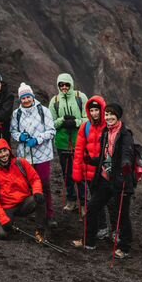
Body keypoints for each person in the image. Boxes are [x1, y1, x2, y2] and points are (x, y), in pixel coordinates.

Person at [72, 103, 135, 259]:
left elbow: (127, 153)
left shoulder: (125, 135)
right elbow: (104, 157)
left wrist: (126, 164)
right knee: (92, 208)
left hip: (121, 181)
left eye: (111, 114)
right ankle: (88, 241)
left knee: (122, 216)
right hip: (105, 179)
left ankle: (124, 248)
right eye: (106, 114)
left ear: (118, 116)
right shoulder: (106, 133)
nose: (108, 117)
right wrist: (91, 160)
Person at [10, 82, 57, 226]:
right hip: (26, 156)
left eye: (28, 97)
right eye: (23, 98)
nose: (26, 100)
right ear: (20, 99)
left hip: (43, 154)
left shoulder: (43, 111)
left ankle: (48, 215)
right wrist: (20, 137)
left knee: (44, 184)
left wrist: (37, 139)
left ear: (32, 96)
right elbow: (13, 131)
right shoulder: (16, 114)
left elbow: (51, 131)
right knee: (29, 186)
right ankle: (35, 212)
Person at [0, 139, 46, 242]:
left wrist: (37, 191)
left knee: (40, 199)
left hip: (24, 202)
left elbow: (35, 179)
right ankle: (5, 222)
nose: (3, 154)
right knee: (1, 235)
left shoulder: (21, 163)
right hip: (7, 207)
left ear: (9, 150)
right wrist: (3, 219)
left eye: (5, 150)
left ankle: (40, 231)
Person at [72, 95, 111, 237]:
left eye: (97, 110)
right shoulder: (85, 127)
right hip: (90, 173)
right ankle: (102, 228)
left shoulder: (108, 126)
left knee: (109, 202)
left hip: (106, 172)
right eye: (92, 110)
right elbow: (79, 150)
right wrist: (77, 173)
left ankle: (109, 228)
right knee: (96, 200)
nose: (94, 113)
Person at [49, 73, 88, 212]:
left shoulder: (80, 97)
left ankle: (84, 202)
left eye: (66, 84)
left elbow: (88, 119)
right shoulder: (54, 101)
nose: (64, 87)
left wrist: (76, 122)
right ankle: (71, 200)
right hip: (62, 142)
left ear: (71, 84)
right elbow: (51, 123)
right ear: (58, 86)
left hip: (79, 142)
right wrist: (62, 121)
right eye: (61, 85)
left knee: (81, 172)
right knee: (67, 173)